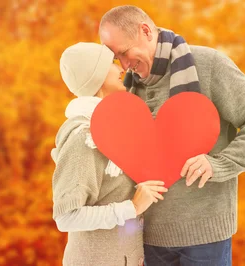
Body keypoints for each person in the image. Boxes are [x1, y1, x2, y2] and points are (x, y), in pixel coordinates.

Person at [98, 5, 245, 265]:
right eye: (117, 58)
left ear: (146, 31)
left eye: (125, 53)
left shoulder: (207, 64)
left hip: (205, 237)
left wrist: (220, 164)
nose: (125, 65)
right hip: (148, 238)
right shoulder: (127, 88)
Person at [51, 42, 168, 266]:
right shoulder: (84, 137)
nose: (121, 69)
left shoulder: (117, 131)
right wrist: (131, 208)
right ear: (95, 77)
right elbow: (66, 217)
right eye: (112, 63)